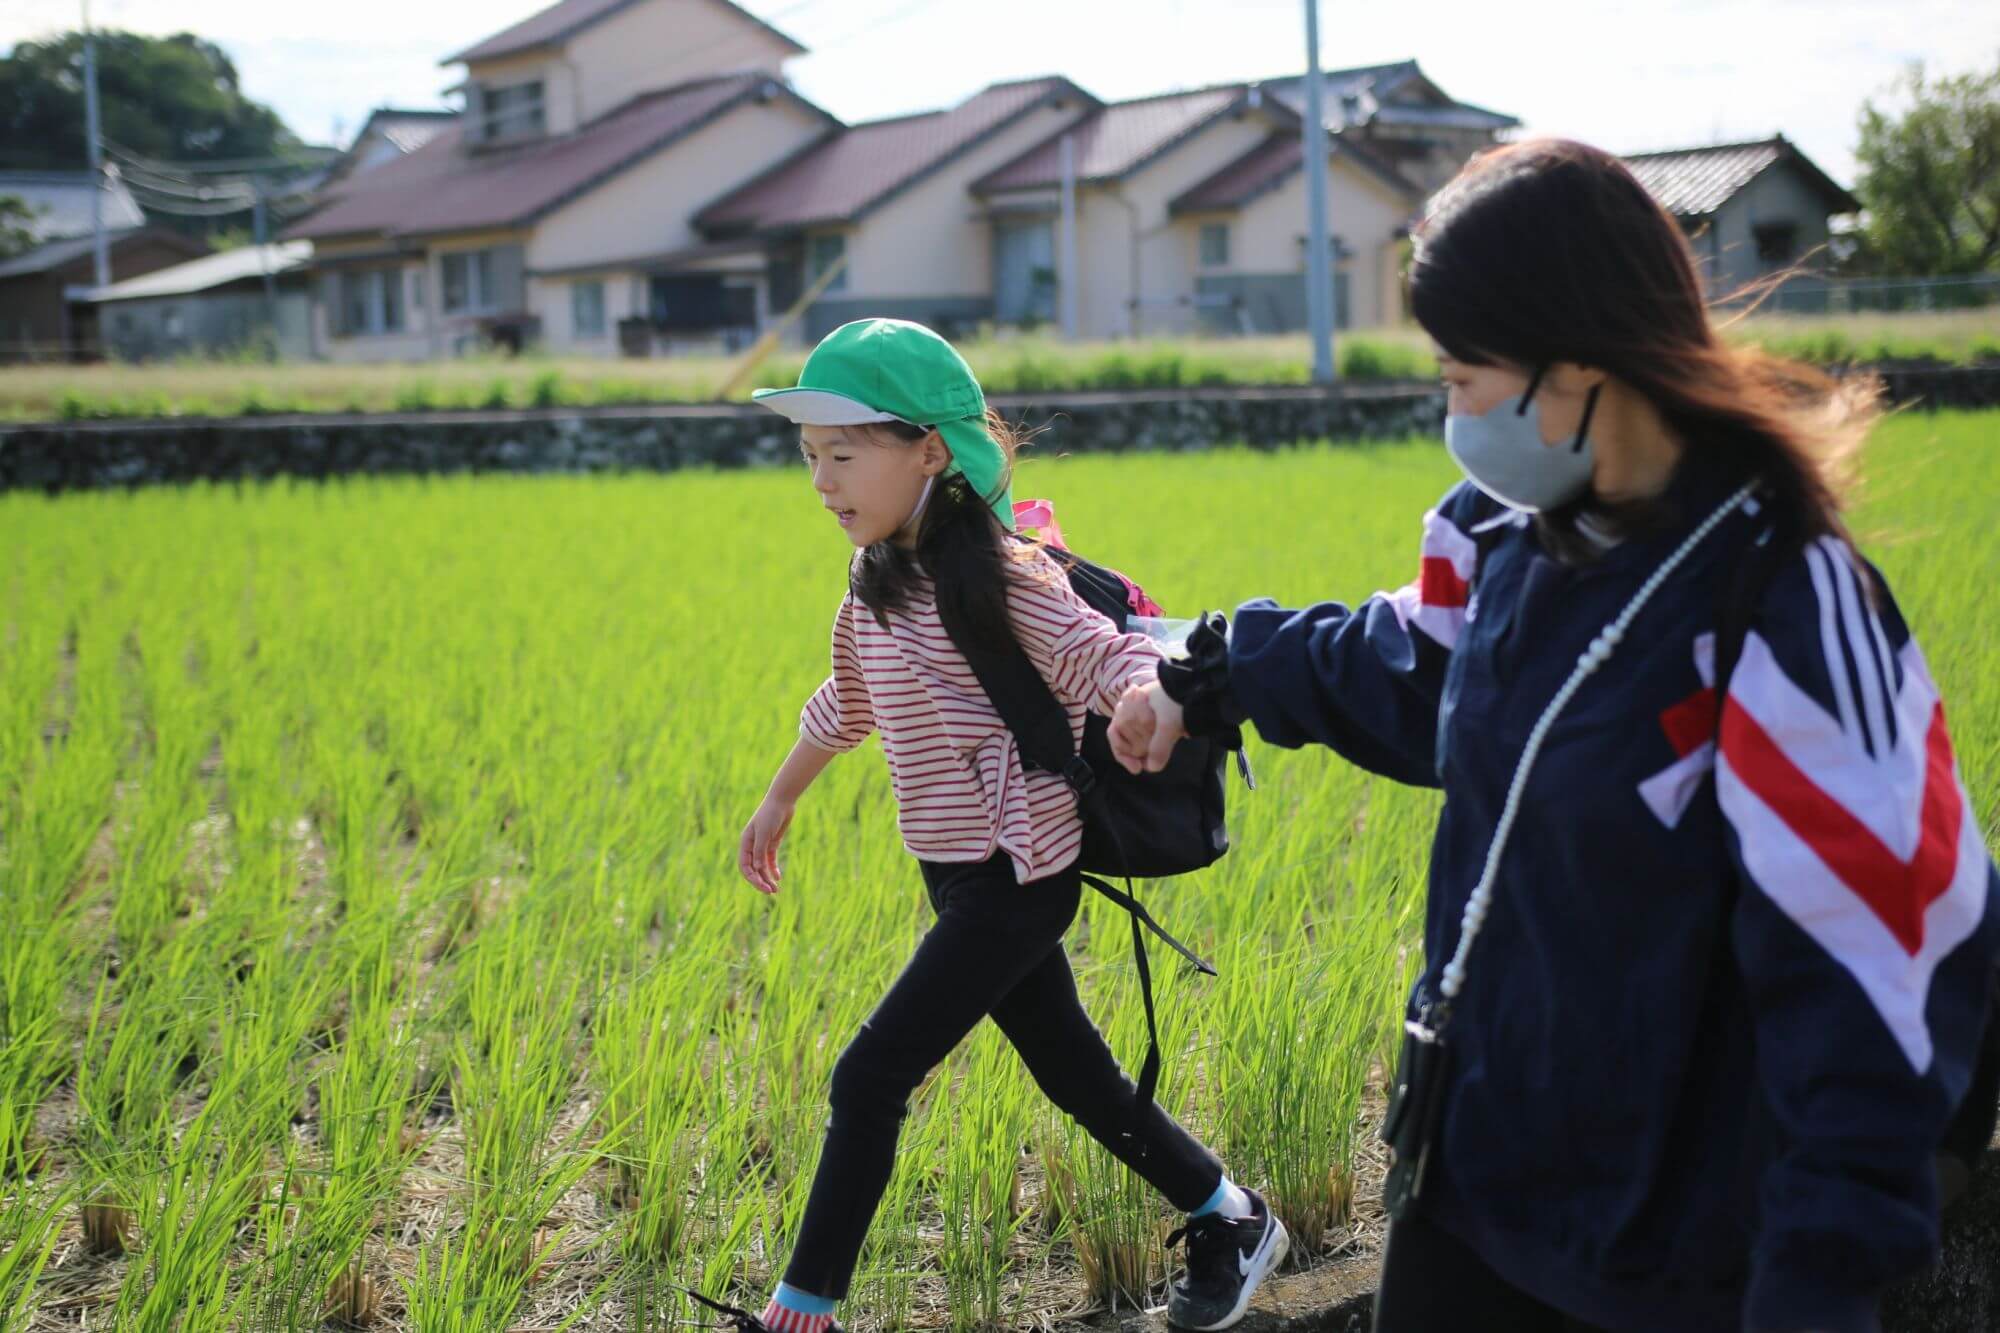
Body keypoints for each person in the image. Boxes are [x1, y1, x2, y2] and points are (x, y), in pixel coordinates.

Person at [1109, 140, 2000, 1333]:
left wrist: (1821, 1272)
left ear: (1579, 365)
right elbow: (1409, 665)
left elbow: (1881, 954)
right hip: (1469, 1184)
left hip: (1667, 1252)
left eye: (1463, 378)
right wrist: (1203, 680)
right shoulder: (1510, 534)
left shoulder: (1773, 600)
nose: (1450, 413)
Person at [734, 318, 1288, 1333]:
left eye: (844, 453)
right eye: (809, 456)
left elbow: (1100, 650)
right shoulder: (872, 580)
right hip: (952, 872)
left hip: (1019, 874)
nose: (821, 479)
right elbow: (846, 701)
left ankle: (798, 1312)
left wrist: (1144, 697)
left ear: (929, 452)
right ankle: (1232, 1213)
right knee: (1076, 1076)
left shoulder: (997, 575)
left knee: (868, 1076)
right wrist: (780, 796)